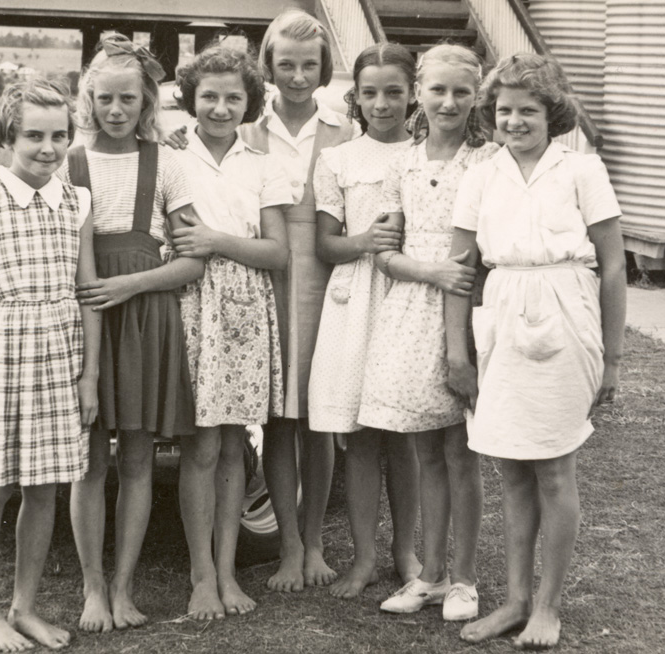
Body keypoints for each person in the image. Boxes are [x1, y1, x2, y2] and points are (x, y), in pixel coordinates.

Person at [447, 53, 625, 649]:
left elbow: (615, 263)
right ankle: (515, 600)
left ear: (552, 114)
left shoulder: (581, 170)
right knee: (511, 467)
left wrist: (615, 355)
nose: (515, 121)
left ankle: (548, 606)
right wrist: (458, 353)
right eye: (504, 110)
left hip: (566, 309)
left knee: (554, 466)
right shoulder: (480, 174)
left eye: (528, 110)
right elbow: (461, 267)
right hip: (501, 313)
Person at [58, 34, 205, 632]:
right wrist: (100, 294)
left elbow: (193, 260)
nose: (115, 111)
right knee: (90, 461)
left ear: (146, 103)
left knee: (140, 458)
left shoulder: (167, 163)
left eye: (128, 101)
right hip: (81, 314)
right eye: (104, 100)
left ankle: (124, 587)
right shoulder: (67, 161)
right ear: (87, 99)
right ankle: (92, 587)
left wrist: (131, 287)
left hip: (144, 314)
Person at [0, 77, 98, 651]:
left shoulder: (78, 201)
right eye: (34, 135)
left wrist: (88, 375)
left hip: (61, 353)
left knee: (45, 488)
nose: (48, 147)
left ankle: (24, 607)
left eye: (60, 135)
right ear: (9, 134)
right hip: (4, 355)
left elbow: (87, 292)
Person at [358, 44, 498, 622]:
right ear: (419, 91)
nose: (448, 101)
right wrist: (428, 269)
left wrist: (458, 345)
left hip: (462, 317)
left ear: (476, 98)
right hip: (408, 315)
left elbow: (476, 259)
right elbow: (384, 255)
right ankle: (431, 576)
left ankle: (464, 579)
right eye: (437, 89)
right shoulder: (403, 165)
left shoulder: (487, 161)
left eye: (461, 92)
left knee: (460, 455)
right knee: (424, 453)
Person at [169, 44, 292, 620]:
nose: (220, 108)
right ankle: (200, 577)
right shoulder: (170, 156)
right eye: (209, 97)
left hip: (243, 310)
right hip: (189, 305)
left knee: (234, 447)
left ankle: (227, 573)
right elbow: (171, 238)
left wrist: (217, 240)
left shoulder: (263, 162)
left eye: (233, 98)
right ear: (191, 99)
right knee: (202, 445)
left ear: (251, 102)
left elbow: (277, 252)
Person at [239, 8, 355, 592]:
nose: (298, 76)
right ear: (269, 66)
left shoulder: (344, 131)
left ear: (323, 68)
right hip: (267, 284)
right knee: (278, 422)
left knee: (320, 420)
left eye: (309, 65)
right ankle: (287, 546)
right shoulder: (246, 131)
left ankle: (314, 543)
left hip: (326, 286)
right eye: (286, 64)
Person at [304, 42, 421, 599]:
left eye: (394, 92)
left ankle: (406, 550)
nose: (382, 104)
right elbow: (324, 244)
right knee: (359, 437)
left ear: (412, 94)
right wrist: (363, 242)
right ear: (356, 97)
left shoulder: (426, 156)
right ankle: (364, 558)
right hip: (355, 301)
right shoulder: (339, 160)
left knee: (401, 434)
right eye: (370, 93)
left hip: (409, 299)